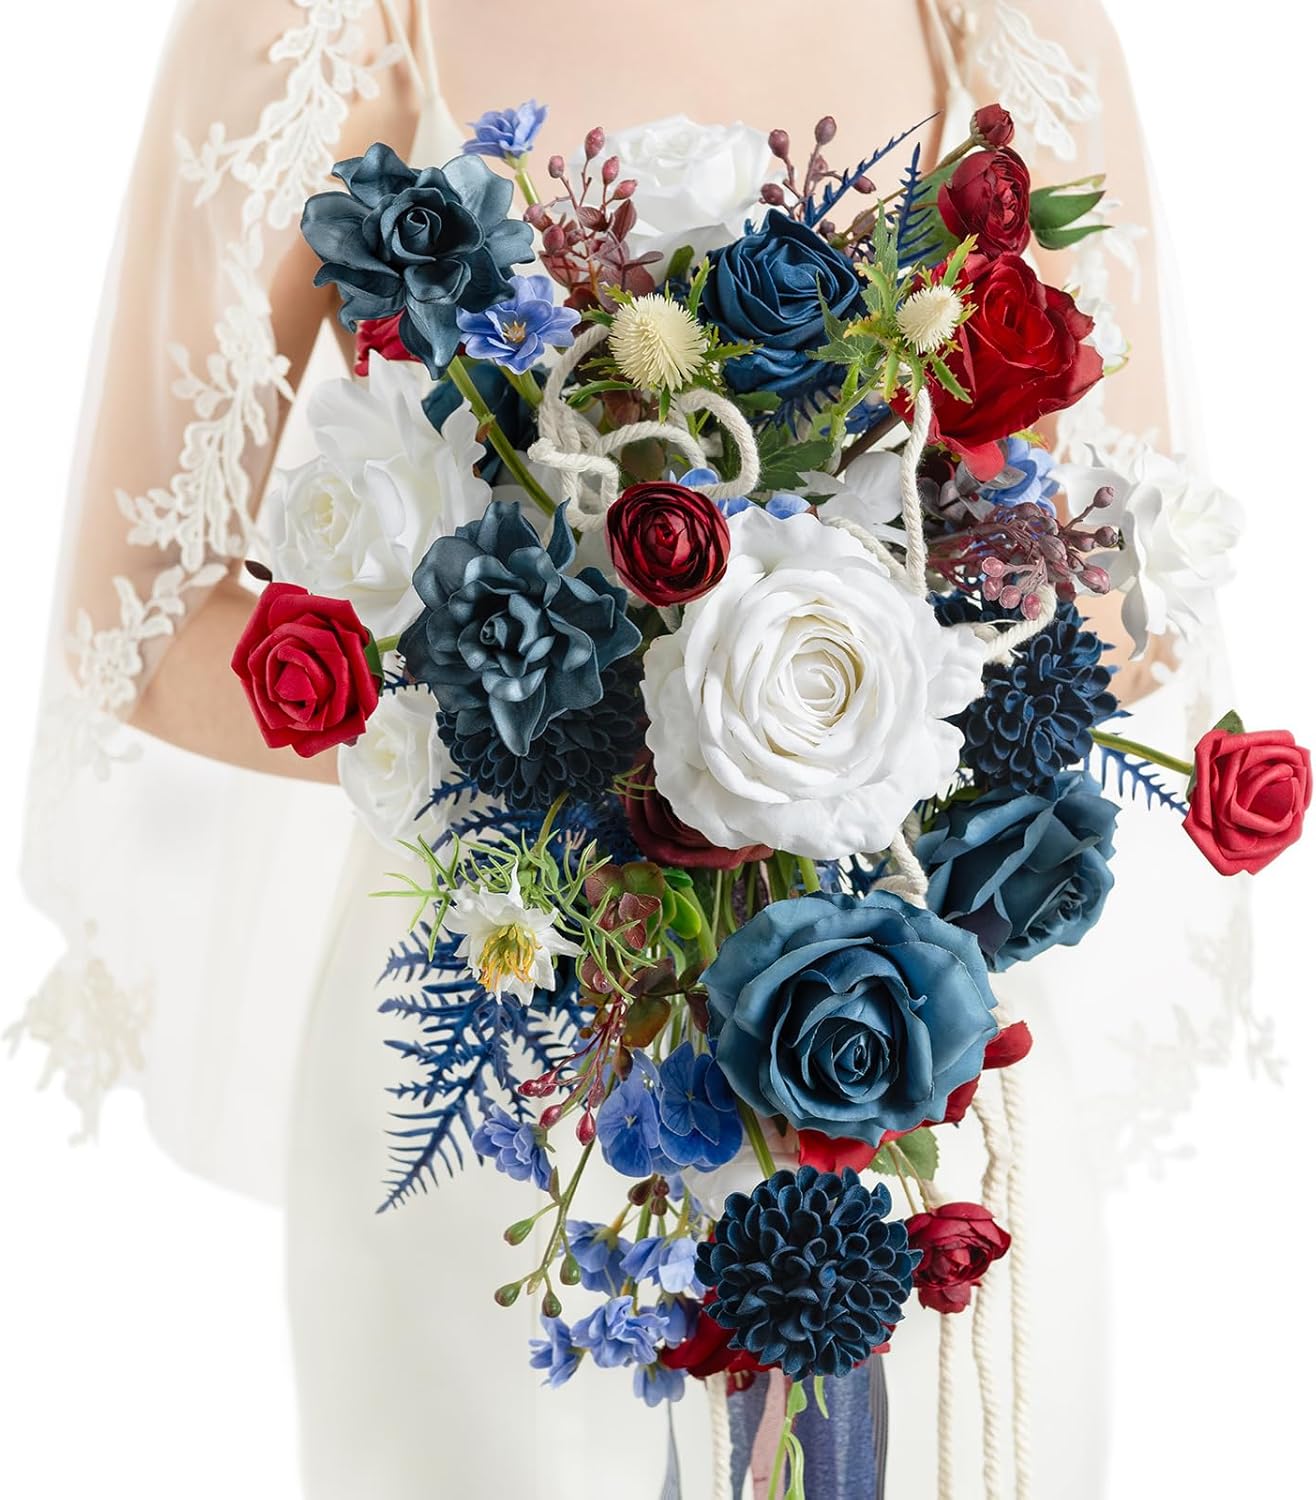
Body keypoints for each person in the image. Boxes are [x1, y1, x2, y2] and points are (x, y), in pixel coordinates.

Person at [12, 2, 1251, 1495]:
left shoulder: (1009, 27)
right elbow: (138, 625)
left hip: (909, 1040)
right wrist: (560, 733)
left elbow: (1132, 587)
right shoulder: (318, 27)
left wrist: (834, 708)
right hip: (509, 1011)